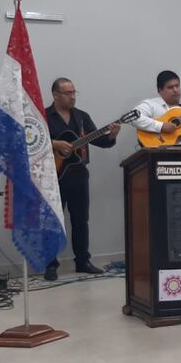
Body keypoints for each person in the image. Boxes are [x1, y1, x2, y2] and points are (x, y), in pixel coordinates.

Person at [44, 77, 120, 281]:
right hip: (54, 177)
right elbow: (32, 141)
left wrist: (112, 135)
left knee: (81, 220)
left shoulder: (82, 117)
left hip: (79, 175)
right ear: (55, 95)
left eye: (74, 92)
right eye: (68, 93)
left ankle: (82, 261)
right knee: (54, 222)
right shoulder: (44, 115)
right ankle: (50, 264)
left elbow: (101, 141)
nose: (72, 97)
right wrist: (55, 144)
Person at [131, 70, 181, 145]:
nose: (175, 90)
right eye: (170, 87)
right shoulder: (151, 105)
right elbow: (133, 117)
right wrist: (161, 126)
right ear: (160, 90)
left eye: (177, 86)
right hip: (159, 153)